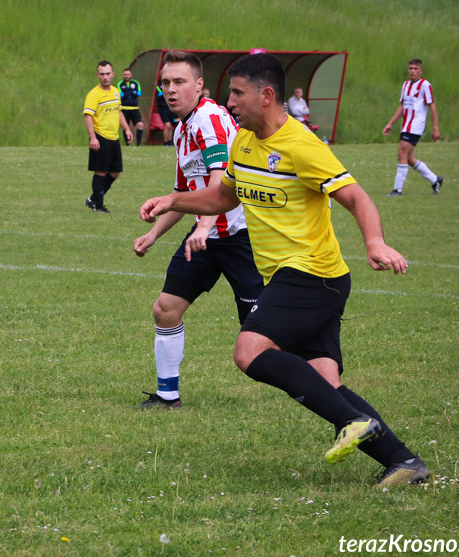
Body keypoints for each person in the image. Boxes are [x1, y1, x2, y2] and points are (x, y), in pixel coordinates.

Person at [140, 53, 429, 487]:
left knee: (249, 350)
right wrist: (173, 200)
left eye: (238, 93)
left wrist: (374, 242)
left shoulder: (302, 145)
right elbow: (224, 198)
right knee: (324, 381)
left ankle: (353, 421)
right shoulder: (244, 142)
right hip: (291, 276)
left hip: (314, 274)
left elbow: (356, 198)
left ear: (267, 95)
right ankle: (404, 462)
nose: (230, 101)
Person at [134, 50, 263, 409]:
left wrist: (204, 226)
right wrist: (154, 234)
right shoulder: (182, 129)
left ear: (199, 84)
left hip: (243, 238)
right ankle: (167, 395)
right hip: (205, 238)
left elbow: (222, 184)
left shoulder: (209, 119)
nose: (171, 90)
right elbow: (184, 195)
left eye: (179, 82)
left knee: (261, 338)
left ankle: (322, 378)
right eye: (165, 83)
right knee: (165, 309)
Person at [382, 59, 443, 197]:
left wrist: (435, 128)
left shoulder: (425, 85)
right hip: (406, 125)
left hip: (416, 125)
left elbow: (432, 106)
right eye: (410, 68)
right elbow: (402, 106)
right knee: (408, 158)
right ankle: (435, 179)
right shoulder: (406, 84)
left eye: (416, 68)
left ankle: (397, 190)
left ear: (421, 71)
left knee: (401, 152)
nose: (412, 71)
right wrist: (390, 123)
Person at [83, 60, 133, 213]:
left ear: (113, 74)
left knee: (115, 172)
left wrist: (126, 129)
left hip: (114, 138)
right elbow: (88, 116)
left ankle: (93, 199)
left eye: (107, 74)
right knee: (100, 171)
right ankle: (98, 205)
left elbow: (118, 112)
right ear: (97, 75)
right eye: (102, 74)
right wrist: (93, 137)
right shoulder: (93, 94)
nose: (105, 77)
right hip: (101, 137)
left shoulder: (115, 91)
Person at [119, 68, 144, 147]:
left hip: (134, 108)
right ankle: (127, 143)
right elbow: (121, 95)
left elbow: (139, 93)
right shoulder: (120, 84)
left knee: (140, 124)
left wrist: (127, 92)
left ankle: (139, 143)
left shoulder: (136, 83)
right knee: (125, 126)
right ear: (123, 75)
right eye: (125, 74)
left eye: (128, 74)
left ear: (131, 75)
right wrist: (132, 92)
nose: (126, 76)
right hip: (124, 108)